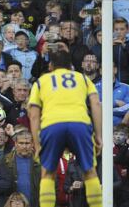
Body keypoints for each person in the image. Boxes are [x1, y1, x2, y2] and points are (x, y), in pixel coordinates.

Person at [28, 50, 102, 207]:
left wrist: (36, 143)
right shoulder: (82, 78)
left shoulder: (41, 81)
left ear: (50, 66)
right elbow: (96, 104)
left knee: (47, 173)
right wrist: (99, 135)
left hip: (52, 125)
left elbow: (34, 115)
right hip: (80, 124)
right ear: (71, 66)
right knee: (89, 171)